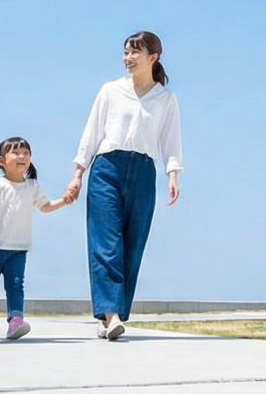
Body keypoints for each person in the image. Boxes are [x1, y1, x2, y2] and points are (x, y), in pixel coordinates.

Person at [62, 31, 182, 341]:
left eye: (134, 52)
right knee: (106, 243)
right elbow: (91, 133)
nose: (127, 58)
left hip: (143, 171)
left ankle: (107, 318)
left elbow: (171, 139)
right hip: (106, 169)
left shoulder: (165, 98)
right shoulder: (110, 91)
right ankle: (111, 314)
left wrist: (172, 173)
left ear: (152, 58)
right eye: (125, 52)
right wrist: (78, 173)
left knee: (133, 244)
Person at [0, 136, 72, 340]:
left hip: (18, 248)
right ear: (1, 161)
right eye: (15, 152)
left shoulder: (32, 186)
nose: (22, 156)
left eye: (26, 153)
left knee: (15, 286)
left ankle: (15, 321)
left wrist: (64, 200)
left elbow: (44, 206)